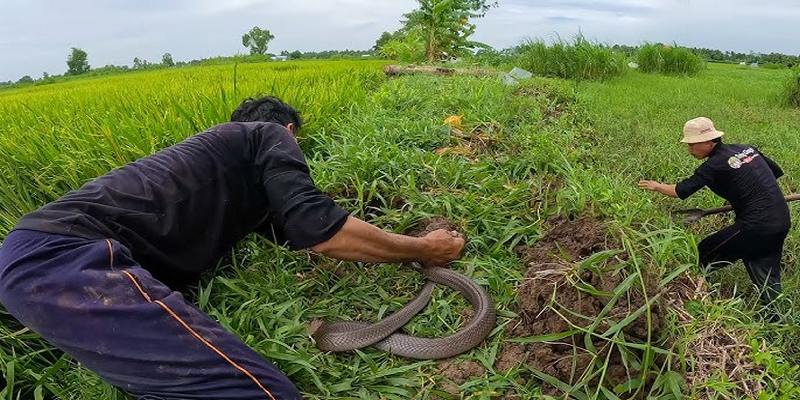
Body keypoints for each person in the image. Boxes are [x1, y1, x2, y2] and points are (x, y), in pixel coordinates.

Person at [0, 96, 465, 400]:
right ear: (287, 130)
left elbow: (300, 228)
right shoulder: (268, 136)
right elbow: (321, 230)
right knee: (260, 393)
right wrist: (425, 249)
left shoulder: (226, 174)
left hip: (47, 262)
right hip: (64, 259)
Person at [639, 117, 789, 306]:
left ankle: (696, 299)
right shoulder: (746, 149)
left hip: (755, 226)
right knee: (763, 269)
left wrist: (656, 186)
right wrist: (744, 195)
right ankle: (777, 319)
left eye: (693, 145)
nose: (690, 150)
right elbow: (775, 172)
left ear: (709, 142)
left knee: (702, 255)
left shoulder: (712, 166)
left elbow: (679, 191)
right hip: (781, 219)